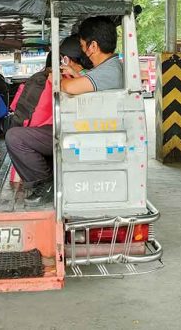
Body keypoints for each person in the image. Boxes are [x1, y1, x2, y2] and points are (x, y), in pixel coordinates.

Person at [7, 24, 119, 206]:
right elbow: (89, 81)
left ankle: (47, 185)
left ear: (93, 47)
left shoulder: (107, 72)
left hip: (84, 134)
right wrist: (75, 73)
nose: (84, 52)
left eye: (84, 47)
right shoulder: (109, 68)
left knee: (15, 137)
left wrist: (55, 78)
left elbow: (67, 88)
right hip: (85, 129)